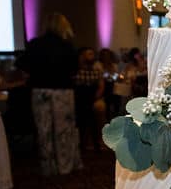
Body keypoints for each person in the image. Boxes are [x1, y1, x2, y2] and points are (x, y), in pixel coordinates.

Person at [16, 13, 82, 175]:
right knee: (63, 130)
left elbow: (21, 64)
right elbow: (74, 69)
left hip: (40, 90)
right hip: (62, 91)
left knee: (43, 129)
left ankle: (48, 166)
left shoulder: (35, 44)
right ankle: (64, 166)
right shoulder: (67, 46)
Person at [73, 47, 105, 150]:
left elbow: (101, 87)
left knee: (96, 109)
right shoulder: (76, 72)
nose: (92, 56)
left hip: (92, 99)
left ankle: (97, 141)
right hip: (79, 100)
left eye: (92, 54)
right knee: (84, 112)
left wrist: (96, 96)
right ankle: (84, 142)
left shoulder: (96, 72)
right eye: (89, 54)